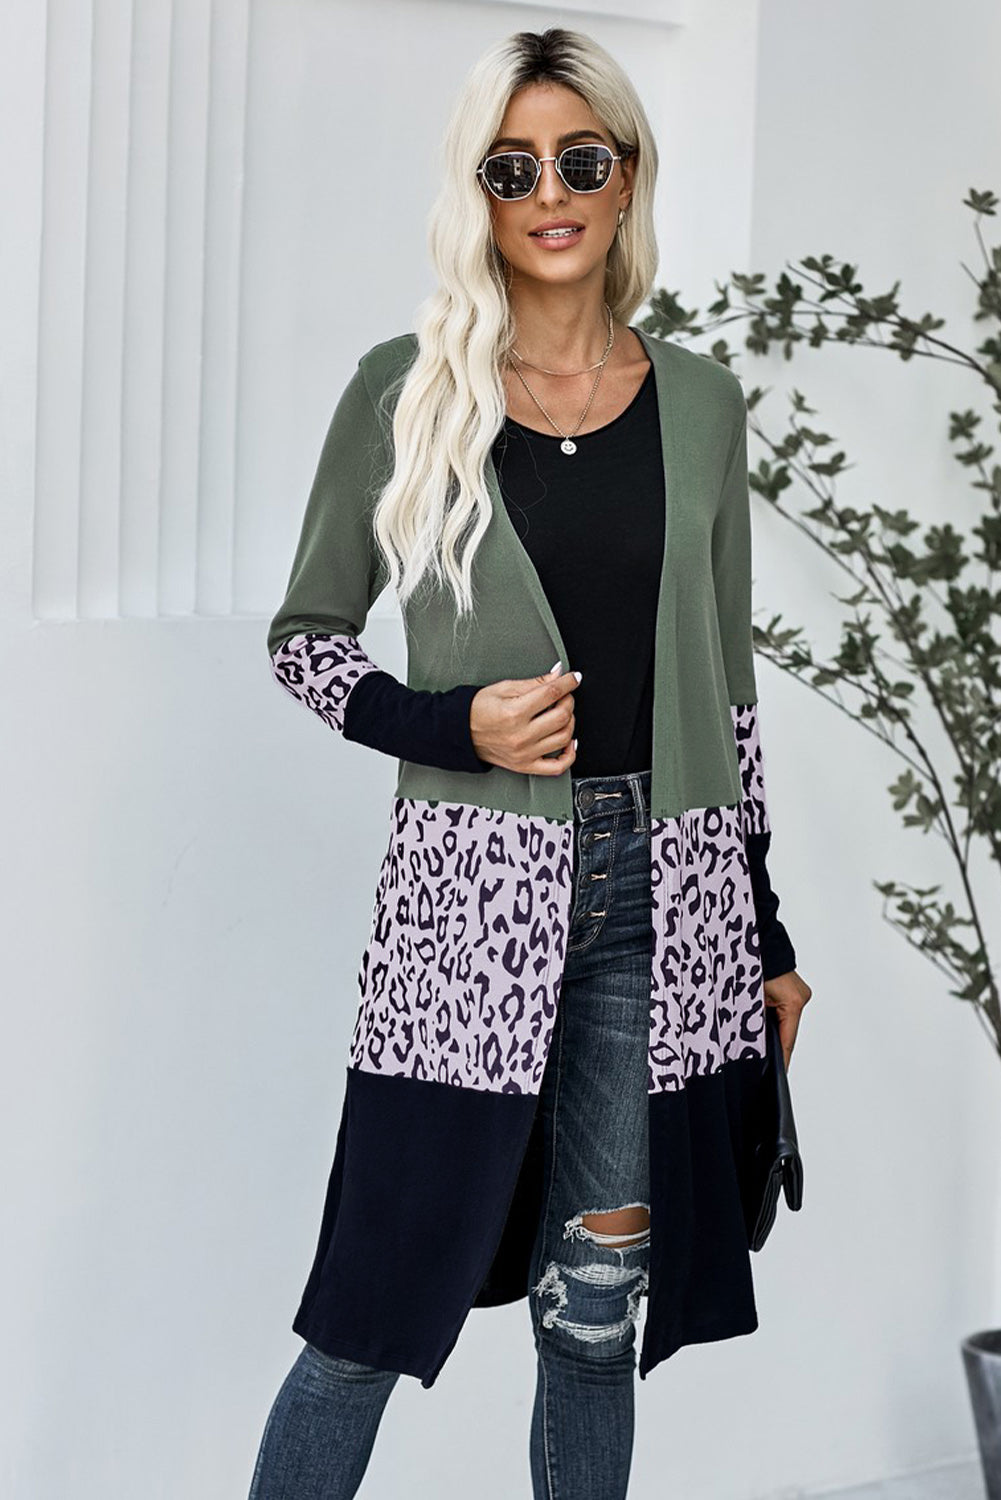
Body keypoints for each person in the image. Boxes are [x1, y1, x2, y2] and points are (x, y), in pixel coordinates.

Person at [248, 25, 813, 1500]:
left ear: (626, 178)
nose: (549, 193)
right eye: (512, 169)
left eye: (579, 160)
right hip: (469, 908)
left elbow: (729, 703)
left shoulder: (701, 403)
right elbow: (305, 641)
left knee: (593, 1312)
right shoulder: (406, 390)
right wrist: (456, 727)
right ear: (477, 193)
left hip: (664, 906)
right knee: (368, 1316)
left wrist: (766, 940)